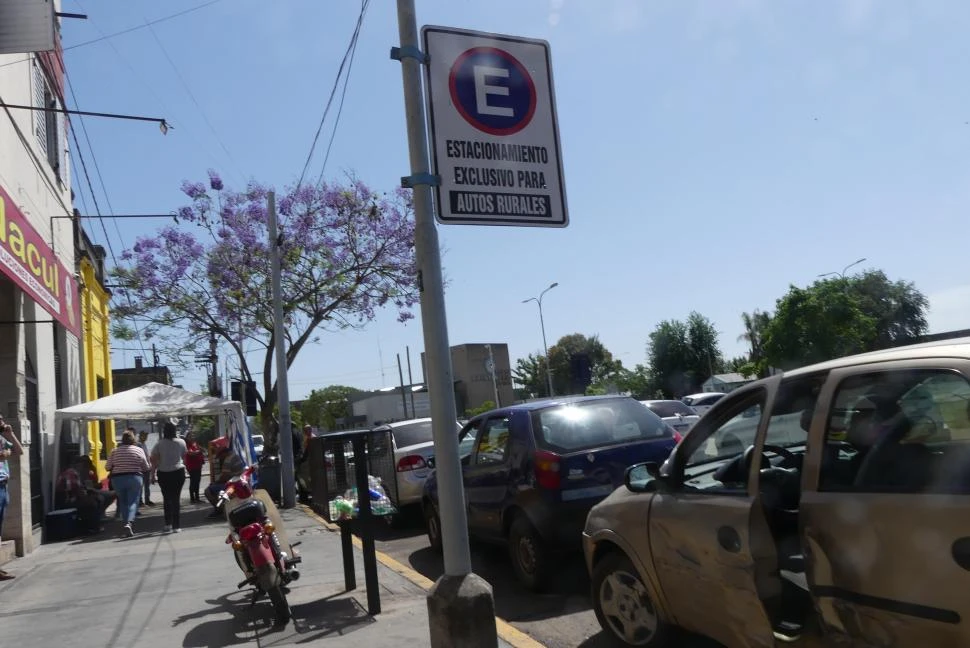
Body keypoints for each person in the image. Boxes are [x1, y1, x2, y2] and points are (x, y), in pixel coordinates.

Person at [106, 430, 150, 537]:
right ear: (133, 439)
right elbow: (146, 467)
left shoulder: (114, 451)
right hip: (134, 478)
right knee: (133, 502)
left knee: (123, 502)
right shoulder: (138, 450)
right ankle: (129, 523)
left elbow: (107, 467)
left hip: (118, 479)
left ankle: (126, 523)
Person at [151, 422, 187, 533]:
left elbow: (154, 460)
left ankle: (168, 524)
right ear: (175, 431)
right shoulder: (181, 442)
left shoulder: (159, 444)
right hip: (178, 471)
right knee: (176, 499)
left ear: (164, 431)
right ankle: (177, 526)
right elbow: (184, 456)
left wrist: (152, 474)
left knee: (167, 498)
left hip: (164, 473)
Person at [0, 415, 24, 580]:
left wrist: (11, 435)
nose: (3, 421)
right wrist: (5, 453)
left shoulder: (2, 438)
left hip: (3, 485)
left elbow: (19, 450)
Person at [204, 441, 245, 518]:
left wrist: (215, 483)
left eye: (220, 456)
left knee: (208, 491)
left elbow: (224, 477)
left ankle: (219, 509)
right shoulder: (235, 455)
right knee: (215, 487)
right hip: (239, 482)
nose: (220, 458)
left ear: (224, 453)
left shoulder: (228, 460)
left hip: (233, 485)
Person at [184, 432, 206, 503]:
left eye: (193, 436)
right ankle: (192, 499)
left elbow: (203, 450)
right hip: (191, 466)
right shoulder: (187, 445)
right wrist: (199, 451)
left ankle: (197, 498)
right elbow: (190, 453)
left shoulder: (195, 443)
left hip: (198, 465)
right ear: (187, 438)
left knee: (197, 481)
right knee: (193, 481)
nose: (192, 437)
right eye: (190, 436)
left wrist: (202, 450)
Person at [136, 429, 155, 507]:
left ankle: (147, 500)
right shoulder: (138, 444)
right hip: (141, 468)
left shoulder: (144, 444)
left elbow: (147, 455)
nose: (146, 437)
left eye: (146, 436)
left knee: (147, 485)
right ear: (140, 436)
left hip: (147, 467)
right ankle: (140, 501)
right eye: (145, 435)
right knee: (141, 486)